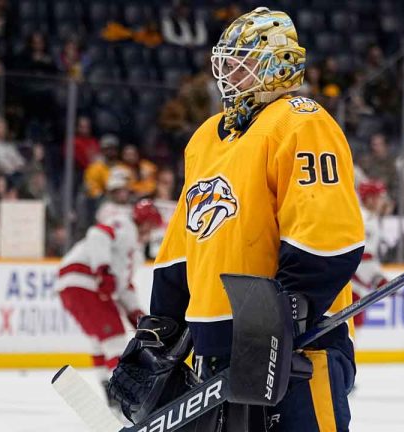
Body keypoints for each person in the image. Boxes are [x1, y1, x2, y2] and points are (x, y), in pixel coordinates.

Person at [108, 7, 364, 431]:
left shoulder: (301, 122)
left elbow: (328, 234)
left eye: (240, 62)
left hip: (293, 352)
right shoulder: (206, 136)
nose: (227, 73)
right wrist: (163, 325)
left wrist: (279, 316)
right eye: (226, 62)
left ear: (277, 66)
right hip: (216, 352)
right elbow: (185, 242)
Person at [57, 200, 161, 396]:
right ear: (145, 223)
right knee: (115, 339)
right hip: (84, 281)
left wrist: (135, 313)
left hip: (77, 285)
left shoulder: (134, 252)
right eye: (151, 226)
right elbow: (99, 234)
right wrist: (102, 270)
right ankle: (121, 393)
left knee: (100, 340)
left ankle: (108, 387)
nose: (151, 233)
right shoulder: (125, 225)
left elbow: (122, 286)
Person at [352, 180, 390, 327]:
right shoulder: (364, 219)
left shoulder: (370, 218)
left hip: (357, 284)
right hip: (352, 284)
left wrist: (378, 278)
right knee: (351, 330)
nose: (382, 201)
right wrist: (377, 279)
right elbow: (361, 256)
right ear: (369, 199)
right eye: (380, 197)